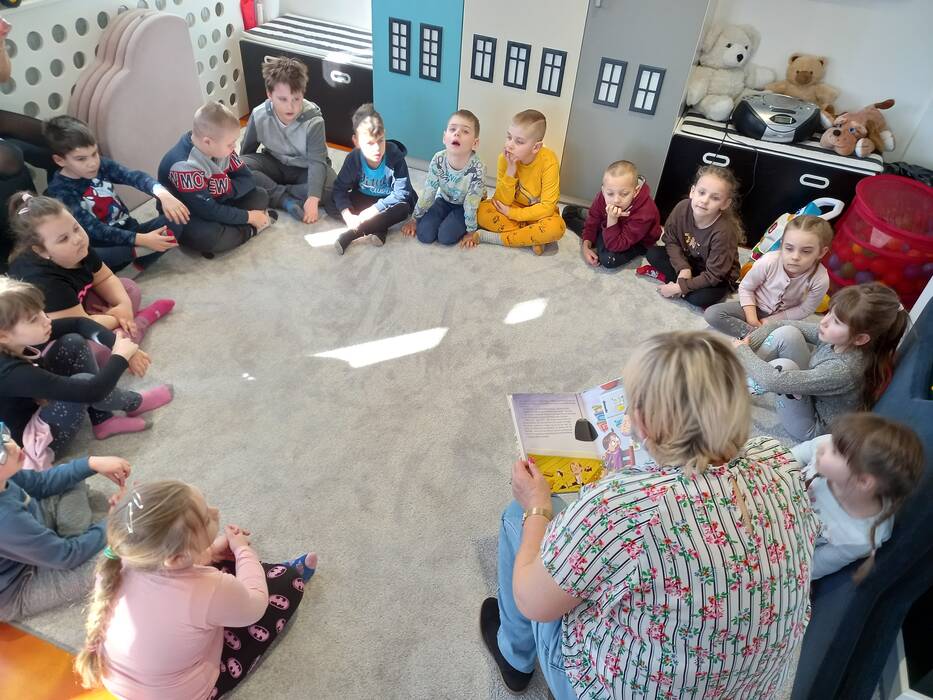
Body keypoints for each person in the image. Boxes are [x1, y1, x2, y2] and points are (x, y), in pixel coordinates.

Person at [481, 331, 818, 698]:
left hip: (616, 688)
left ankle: (514, 657)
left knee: (517, 517)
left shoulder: (624, 506)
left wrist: (536, 505)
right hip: (748, 689)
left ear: (641, 422)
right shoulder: (778, 460)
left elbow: (533, 602)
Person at [74, 480, 318, 699]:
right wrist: (243, 550)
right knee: (287, 582)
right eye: (206, 518)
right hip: (187, 693)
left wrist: (208, 554)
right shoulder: (207, 588)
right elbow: (255, 605)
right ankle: (279, 573)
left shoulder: (121, 562)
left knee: (221, 577)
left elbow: (175, 584)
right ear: (177, 558)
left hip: (128, 687)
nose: (216, 511)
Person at [0, 277, 173, 458]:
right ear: (3, 336)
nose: (46, 320)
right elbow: (92, 391)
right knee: (83, 382)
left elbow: (78, 323)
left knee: (72, 341)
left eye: (42, 311)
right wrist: (120, 357)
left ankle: (103, 420)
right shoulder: (8, 372)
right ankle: (135, 403)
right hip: (29, 447)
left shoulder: (13, 339)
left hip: (36, 405)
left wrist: (115, 342)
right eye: (34, 319)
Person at [734, 282, 910, 441]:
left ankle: (732, 388)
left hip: (812, 426)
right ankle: (733, 369)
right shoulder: (839, 338)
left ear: (860, 339)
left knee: (783, 368)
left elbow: (774, 381)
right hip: (811, 392)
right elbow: (783, 324)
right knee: (788, 333)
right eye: (829, 313)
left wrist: (743, 351)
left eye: (837, 322)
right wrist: (744, 345)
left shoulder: (844, 369)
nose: (824, 322)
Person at [0, 424, 131, 622]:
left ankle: (74, 539)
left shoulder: (6, 474)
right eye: (1, 454)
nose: (11, 446)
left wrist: (92, 463)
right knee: (121, 556)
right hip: (19, 585)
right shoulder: (6, 520)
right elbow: (66, 556)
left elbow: (41, 484)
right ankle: (77, 540)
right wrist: (113, 521)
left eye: (4, 436)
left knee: (70, 473)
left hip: (37, 534)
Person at [7, 193, 174, 344]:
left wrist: (123, 305)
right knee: (92, 348)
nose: (77, 239)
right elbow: (81, 325)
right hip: (57, 331)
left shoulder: (78, 248)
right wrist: (118, 316)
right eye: (63, 239)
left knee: (129, 288)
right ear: (41, 251)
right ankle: (140, 322)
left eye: (76, 228)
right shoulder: (44, 280)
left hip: (78, 307)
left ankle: (126, 328)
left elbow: (105, 277)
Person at [44, 115, 187, 273]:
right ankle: (137, 253)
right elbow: (95, 230)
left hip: (130, 231)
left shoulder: (101, 165)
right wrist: (143, 240)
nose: (92, 163)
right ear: (60, 160)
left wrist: (163, 194)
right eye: (81, 159)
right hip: (104, 247)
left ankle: (138, 265)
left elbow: (134, 177)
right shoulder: (60, 190)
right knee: (86, 257)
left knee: (177, 218)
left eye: (94, 153)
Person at [791, 413, 923, 581]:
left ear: (863, 481)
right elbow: (796, 454)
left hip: (787, 539)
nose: (824, 445)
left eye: (834, 451)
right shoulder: (829, 444)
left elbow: (815, 565)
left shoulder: (860, 537)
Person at [158, 102, 274, 258]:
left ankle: (231, 226)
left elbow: (248, 179)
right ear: (207, 141)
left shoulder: (222, 149)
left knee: (260, 196)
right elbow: (208, 211)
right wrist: (249, 217)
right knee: (208, 236)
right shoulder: (184, 167)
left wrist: (227, 191)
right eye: (230, 144)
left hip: (216, 202)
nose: (234, 147)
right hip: (189, 214)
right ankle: (249, 230)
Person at [241, 56, 339, 224]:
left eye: (296, 99)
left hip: (305, 168)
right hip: (273, 164)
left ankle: (274, 191)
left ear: (303, 94)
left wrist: (313, 198)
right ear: (269, 95)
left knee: (331, 188)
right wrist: (242, 174)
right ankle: (285, 200)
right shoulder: (259, 115)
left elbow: (317, 162)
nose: (291, 106)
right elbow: (246, 152)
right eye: (283, 99)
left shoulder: (314, 120)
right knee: (241, 168)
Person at [706, 214, 832, 338]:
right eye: (789, 248)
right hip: (753, 306)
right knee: (712, 314)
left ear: (821, 252)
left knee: (792, 338)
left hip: (784, 318)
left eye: (806, 251)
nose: (795, 257)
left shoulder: (820, 279)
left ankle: (760, 337)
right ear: (782, 244)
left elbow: (805, 309)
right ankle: (755, 336)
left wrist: (770, 322)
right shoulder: (769, 261)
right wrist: (752, 319)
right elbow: (746, 287)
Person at [638, 165, 742, 308]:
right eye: (701, 192)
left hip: (716, 275)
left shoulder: (724, 232)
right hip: (690, 261)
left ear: (725, 204)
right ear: (692, 192)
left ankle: (678, 283)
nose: (704, 200)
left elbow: (714, 275)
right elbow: (670, 240)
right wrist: (683, 268)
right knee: (653, 253)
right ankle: (684, 281)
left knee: (699, 299)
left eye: (715, 198)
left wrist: (680, 287)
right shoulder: (682, 208)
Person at [464, 109, 564, 255]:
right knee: (480, 211)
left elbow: (548, 207)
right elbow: (500, 200)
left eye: (519, 141)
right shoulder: (503, 159)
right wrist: (510, 171)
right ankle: (532, 237)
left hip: (539, 213)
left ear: (536, 147)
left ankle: (496, 238)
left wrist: (513, 214)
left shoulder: (549, 161)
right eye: (509, 137)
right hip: (511, 206)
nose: (509, 145)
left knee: (557, 228)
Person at [331, 104, 415, 255]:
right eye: (370, 143)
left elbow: (402, 194)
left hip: (389, 200)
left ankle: (355, 233)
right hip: (363, 197)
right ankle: (380, 228)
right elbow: (339, 188)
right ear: (356, 141)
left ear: (385, 135)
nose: (377, 149)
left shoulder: (395, 157)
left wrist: (373, 210)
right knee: (331, 202)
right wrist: (347, 214)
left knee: (403, 209)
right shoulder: (353, 159)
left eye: (380, 140)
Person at [401, 110, 486, 246]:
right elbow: (429, 191)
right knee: (424, 235)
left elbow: (471, 203)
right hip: (444, 199)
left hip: (464, 206)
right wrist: (415, 218)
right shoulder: (438, 159)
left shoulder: (478, 168)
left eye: (465, 131)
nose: (457, 133)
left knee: (446, 237)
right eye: (452, 129)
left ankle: (456, 222)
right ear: (444, 137)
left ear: (475, 143)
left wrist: (471, 231)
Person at [577, 160, 661, 269]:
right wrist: (586, 246)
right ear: (603, 190)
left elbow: (616, 245)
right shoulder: (603, 195)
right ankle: (601, 236)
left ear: (635, 191)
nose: (616, 200)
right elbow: (592, 222)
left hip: (637, 241)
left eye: (624, 194)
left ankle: (601, 236)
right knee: (568, 213)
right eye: (610, 193)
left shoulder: (645, 212)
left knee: (608, 259)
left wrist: (612, 219)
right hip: (611, 228)